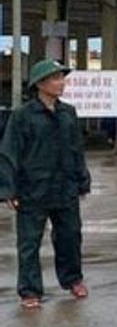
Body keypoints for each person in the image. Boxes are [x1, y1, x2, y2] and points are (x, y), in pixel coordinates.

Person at [0, 59, 90, 309]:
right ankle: (30, 291)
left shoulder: (68, 113)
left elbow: (76, 149)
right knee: (29, 242)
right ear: (40, 84)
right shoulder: (22, 116)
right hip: (33, 190)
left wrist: (82, 180)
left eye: (62, 78)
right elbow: (8, 153)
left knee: (70, 236)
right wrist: (8, 189)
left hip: (65, 187)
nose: (61, 83)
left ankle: (73, 279)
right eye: (56, 78)